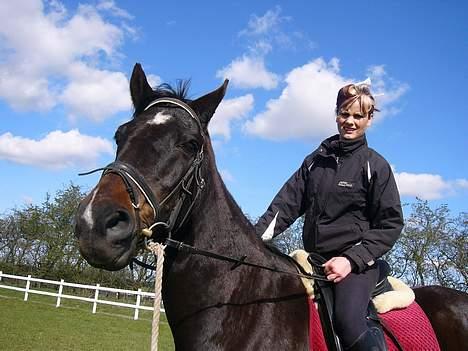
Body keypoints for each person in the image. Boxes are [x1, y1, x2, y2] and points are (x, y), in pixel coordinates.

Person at [255, 81, 403, 351]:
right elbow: (284, 207)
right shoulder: (314, 161)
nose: (350, 121)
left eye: (358, 116)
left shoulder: (376, 166)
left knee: (348, 322)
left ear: (370, 119)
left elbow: (390, 225)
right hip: (315, 260)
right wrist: (251, 241)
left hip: (355, 266)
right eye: (344, 113)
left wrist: (351, 259)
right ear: (336, 114)